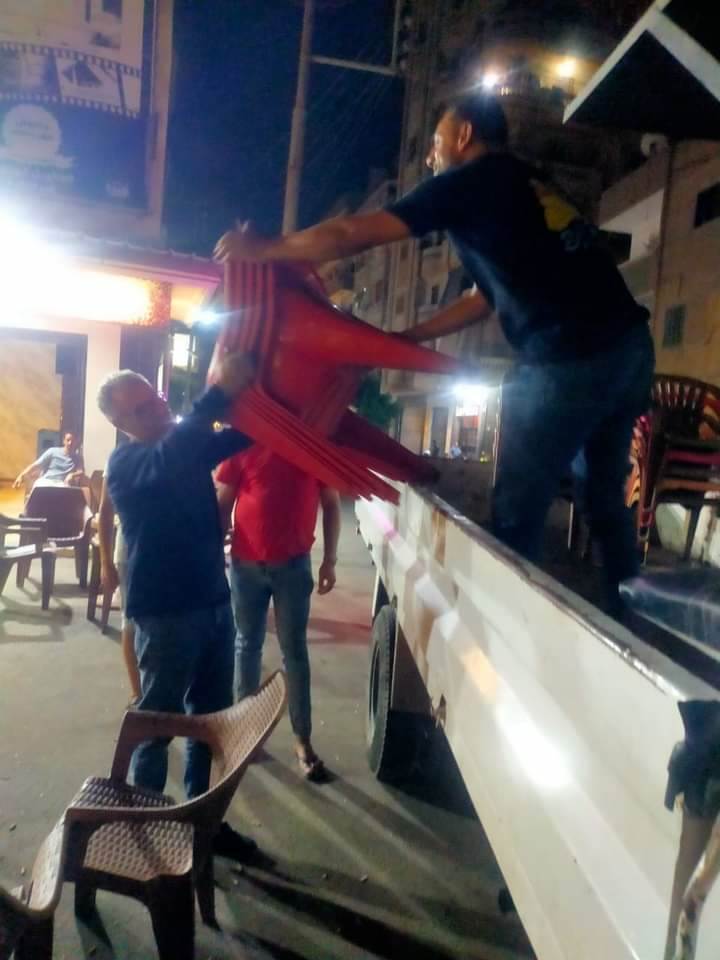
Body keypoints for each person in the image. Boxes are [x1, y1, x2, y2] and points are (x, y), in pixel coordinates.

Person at [214, 93, 654, 612]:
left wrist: (265, 249)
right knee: (603, 497)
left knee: (519, 506)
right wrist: (406, 340)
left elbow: (354, 233)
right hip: (630, 351)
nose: (430, 156)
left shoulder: (470, 181)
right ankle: (628, 610)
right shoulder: (524, 184)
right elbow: (481, 300)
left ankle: (503, 619)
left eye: (437, 140)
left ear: (464, 135)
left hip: (569, 354)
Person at [97, 353, 259, 859]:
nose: (160, 410)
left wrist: (278, 409)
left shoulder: (180, 446)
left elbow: (239, 437)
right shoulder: (127, 464)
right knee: (158, 725)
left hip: (213, 603)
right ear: (120, 424)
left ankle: (202, 822)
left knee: (208, 725)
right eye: (143, 409)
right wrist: (217, 393)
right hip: (166, 616)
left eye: (158, 399)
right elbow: (177, 452)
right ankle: (146, 827)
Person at [216, 449, 341, 782]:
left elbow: (331, 503)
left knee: (294, 652)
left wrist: (330, 560)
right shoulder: (243, 441)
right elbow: (224, 501)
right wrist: (214, 547)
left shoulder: (309, 444)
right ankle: (245, 734)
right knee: (247, 645)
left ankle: (302, 740)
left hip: (293, 566)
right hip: (245, 565)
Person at [97, 476, 141, 704]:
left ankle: (152, 692)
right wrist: (105, 562)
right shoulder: (118, 462)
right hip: (128, 553)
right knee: (130, 621)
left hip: (163, 553)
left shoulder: (167, 458)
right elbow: (105, 511)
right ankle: (137, 693)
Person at [13, 432, 86, 489]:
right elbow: (36, 465)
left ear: (76, 442)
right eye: (68, 440)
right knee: (38, 489)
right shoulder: (52, 451)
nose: (70, 443)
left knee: (65, 493)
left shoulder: (78, 457)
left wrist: (72, 475)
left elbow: (81, 471)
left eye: (73, 441)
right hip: (47, 481)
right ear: (64, 441)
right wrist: (21, 476)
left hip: (61, 484)